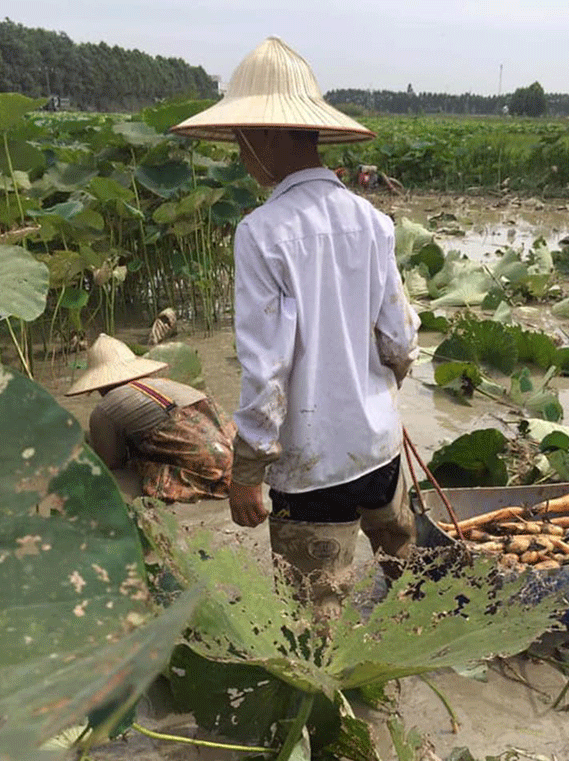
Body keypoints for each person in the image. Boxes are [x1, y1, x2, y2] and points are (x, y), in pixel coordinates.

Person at [171, 37, 420, 613]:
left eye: (241, 140)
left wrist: (246, 471)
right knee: (405, 581)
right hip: (379, 452)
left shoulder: (262, 232)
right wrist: (374, 393)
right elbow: (401, 339)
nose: (239, 153)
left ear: (265, 135)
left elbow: (267, 369)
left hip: (312, 465)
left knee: (316, 619)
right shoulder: (372, 219)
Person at [66, 333, 236, 503]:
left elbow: (111, 463)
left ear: (98, 383)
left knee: (122, 474)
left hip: (213, 471)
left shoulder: (104, 409)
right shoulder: (163, 382)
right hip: (239, 453)